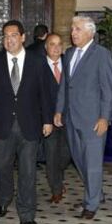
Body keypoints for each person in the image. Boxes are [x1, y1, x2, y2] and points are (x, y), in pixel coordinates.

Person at [0, 20, 52, 224]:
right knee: (2, 168)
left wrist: (48, 120)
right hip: (0, 124)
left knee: (28, 171)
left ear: (23, 37)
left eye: (13, 35)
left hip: (29, 124)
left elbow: (45, 93)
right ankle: (3, 200)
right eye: (5, 36)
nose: (9, 39)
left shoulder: (38, 61)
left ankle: (27, 214)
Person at [54, 16, 112, 220]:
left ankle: (91, 204)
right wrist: (59, 110)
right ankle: (97, 192)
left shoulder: (102, 55)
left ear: (91, 32)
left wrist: (104, 118)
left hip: (93, 120)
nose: (73, 32)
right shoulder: (69, 53)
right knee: (79, 160)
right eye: (72, 29)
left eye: (78, 29)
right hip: (71, 118)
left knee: (92, 163)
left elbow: (108, 89)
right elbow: (65, 85)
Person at [43, 33, 71, 204]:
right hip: (48, 119)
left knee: (66, 154)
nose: (56, 47)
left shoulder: (69, 65)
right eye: (52, 44)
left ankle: (58, 178)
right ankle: (56, 188)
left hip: (69, 118)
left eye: (59, 44)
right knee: (52, 154)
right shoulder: (39, 66)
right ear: (46, 47)